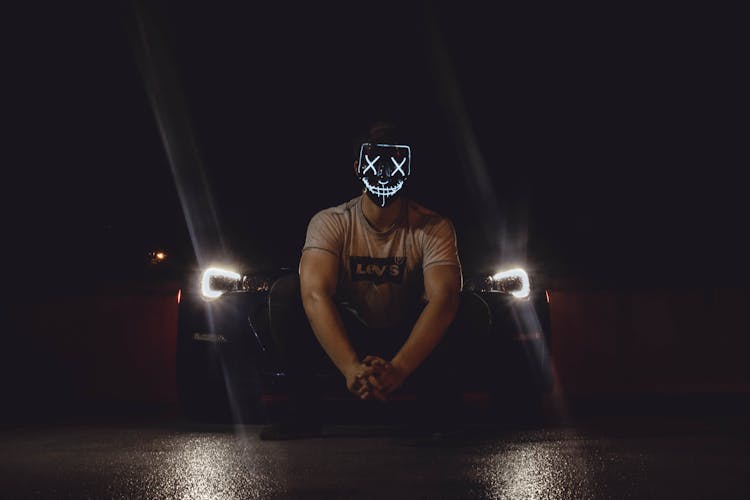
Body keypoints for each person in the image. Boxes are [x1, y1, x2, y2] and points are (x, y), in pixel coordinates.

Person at [260, 120, 488, 440]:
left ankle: (439, 413)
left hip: (407, 333)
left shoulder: (433, 226)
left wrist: (400, 367)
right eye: (375, 159)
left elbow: (445, 299)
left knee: (469, 307)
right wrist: (350, 366)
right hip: (351, 330)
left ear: (408, 166)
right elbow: (314, 294)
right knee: (287, 293)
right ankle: (304, 414)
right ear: (357, 167)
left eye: (393, 159)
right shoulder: (331, 222)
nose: (383, 171)